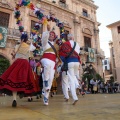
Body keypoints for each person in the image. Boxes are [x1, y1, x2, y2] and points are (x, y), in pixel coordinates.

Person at [0, 33, 39, 107]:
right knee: (26, 80)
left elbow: (13, 54)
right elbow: (33, 49)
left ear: (21, 39)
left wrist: (14, 54)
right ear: (27, 40)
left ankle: (14, 99)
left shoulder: (17, 46)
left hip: (17, 63)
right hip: (25, 64)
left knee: (14, 80)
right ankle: (29, 96)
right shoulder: (29, 47)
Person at [40, 24, 61, 105]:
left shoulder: (56, 46)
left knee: (51, 79)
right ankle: (45, 80)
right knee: (47, 65)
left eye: (53, 35)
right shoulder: (45, 42)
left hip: (53, 61)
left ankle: (46, 97)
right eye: (50, 34)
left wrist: (57, 62)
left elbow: (57, 56)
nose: (51, 35)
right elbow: (44, 37)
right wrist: (48, 30)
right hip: (45, 59)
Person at [59, 33, 81, 105]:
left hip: (69, 62)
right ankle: (77, 85)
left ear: (68, 38)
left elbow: (61, 55)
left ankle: (75, 97)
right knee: (74, 77)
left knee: (70, 80)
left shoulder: (65, 44)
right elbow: (78, 53)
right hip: (77, 62)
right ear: (73, 38)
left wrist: (64, 62)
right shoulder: (77, 44)